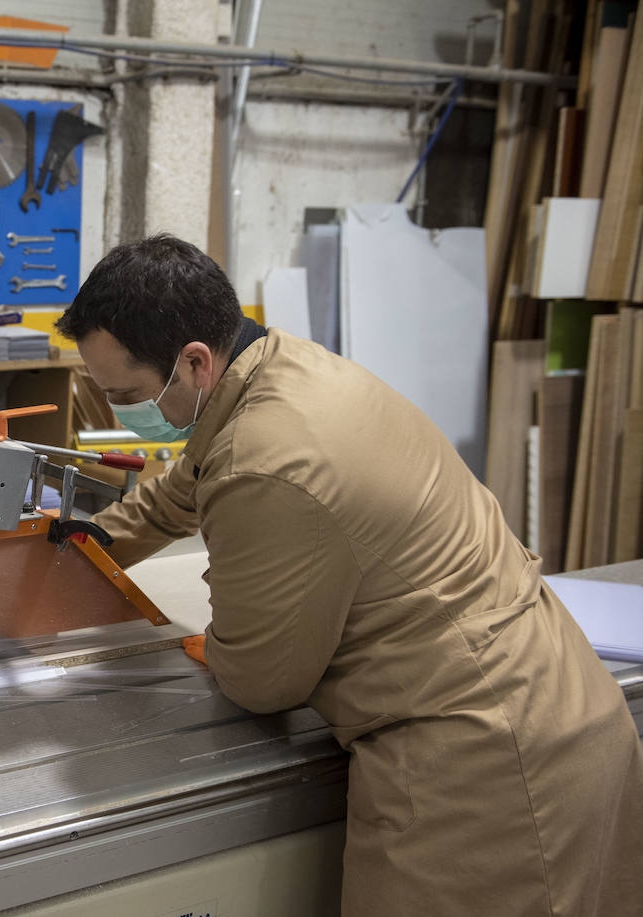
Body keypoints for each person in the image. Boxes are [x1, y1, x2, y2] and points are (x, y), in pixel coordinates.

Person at [56, 234, 643, 916]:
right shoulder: (279, 367)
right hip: (556, 700)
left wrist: (216, 644)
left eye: (127, 394)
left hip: (484, 770)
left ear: (194, 362)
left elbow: (262, 677)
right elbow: (189, 482)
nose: (123, 412)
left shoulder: (265, 459)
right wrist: (90, 545)